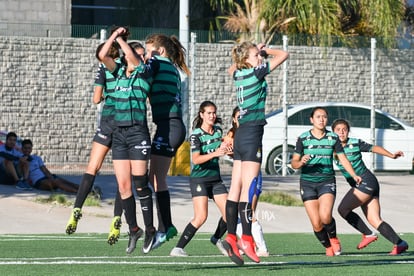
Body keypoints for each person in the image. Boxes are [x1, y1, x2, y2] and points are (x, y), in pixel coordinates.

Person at [222, 42, 288, 265]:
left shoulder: (238, 73)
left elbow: (232, 68)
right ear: (247, 60)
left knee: (236, 189)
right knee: (248, 192)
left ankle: (232, 236)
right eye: (255, 55)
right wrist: (265, 51)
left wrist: (250, 53)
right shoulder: (254, 72)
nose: (259, 58)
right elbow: (284, 54)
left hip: (241, 134)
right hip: (251, 135)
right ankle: (247, 238)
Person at [98, 26, 153, 254]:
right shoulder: (118, 71)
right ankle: (134, 229)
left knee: (140, 181)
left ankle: (150, 229)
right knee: (123, 186)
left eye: (138, 54)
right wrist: (115, 36)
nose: (137, 56)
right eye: (135, 53)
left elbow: (131, 56)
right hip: (119, 134)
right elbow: (102, 55)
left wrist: (122, 40)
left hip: (138, 132)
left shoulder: (144, 72)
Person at [65, 39, 121, 242]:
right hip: (125, 125)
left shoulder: (103, 70)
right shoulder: (128, 67)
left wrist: (106, 94)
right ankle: (116, 219)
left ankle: (77, 209)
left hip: (107, 123)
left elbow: (96, 99)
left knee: (92, 168)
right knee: (122, 178)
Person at [290, 107, 362, 257]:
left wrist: (354, 175)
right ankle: (328, 246)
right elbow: (294, 163)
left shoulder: (333, 138)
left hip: (326, 181)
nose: (321, 119)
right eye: (318, 117)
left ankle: (334, 238)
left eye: (324, 117)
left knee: (325, 216)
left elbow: (342, 158)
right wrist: (301, 162)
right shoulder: (303, 138)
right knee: (316, 223)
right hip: (307, 183)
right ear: (311, 120)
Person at [331, 119, 409, 255]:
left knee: (343, 209)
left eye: (344, 129)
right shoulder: (330, 147)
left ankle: (368, 234)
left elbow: (374, 148)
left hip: (366, 181)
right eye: (338, 130)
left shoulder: (355, 143)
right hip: (365, 184)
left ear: (348, 131)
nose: (342, 132)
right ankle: (400, 243)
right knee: (374, 220)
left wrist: (391, 155)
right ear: (333, 132)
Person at [142, 34, 191, 250]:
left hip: (170, 126)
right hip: (169, 126)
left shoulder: (157, 62)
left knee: (156, 179)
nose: (145, 55)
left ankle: (166, 226)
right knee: (154, 178)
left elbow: (141, 72)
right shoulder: (169, 66)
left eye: (148, 51)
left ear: (160, 51)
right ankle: (165, 226)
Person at [170, 101, 231, 257]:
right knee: (201, 217)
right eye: (209, 113)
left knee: (229, 213)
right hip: (199, 180)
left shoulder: (218, 131)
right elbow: (196, 159)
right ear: (202, 114)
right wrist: (216, 153)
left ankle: (217, 238)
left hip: (215, 179)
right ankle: (178, 248)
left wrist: (228, 151)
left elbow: (222, 150)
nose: (212, 115)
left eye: (214, 112)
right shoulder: (196, 135)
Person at [228, 107, 269, 257]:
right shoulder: (232, 134)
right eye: (238, 117)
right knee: (237, 208)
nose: (241, 120)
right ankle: (240, 240)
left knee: (249, 210)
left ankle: (261, 246)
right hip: (242, 173)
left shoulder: (249, 131)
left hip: (253, 176)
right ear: (234, 119)